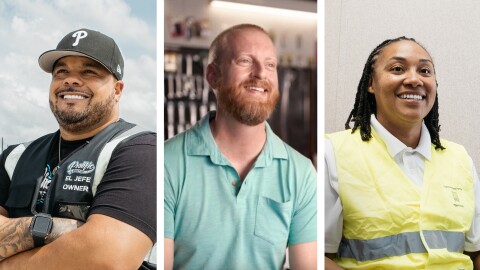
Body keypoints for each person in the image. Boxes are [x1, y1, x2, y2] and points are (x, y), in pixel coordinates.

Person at [0, 28, 156, 269]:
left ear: (117, 90)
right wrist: (54, 229)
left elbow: (108, 257)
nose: (70, 80)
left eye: (88, 72)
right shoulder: (15, 157)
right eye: (61, 71)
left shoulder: (140, 151)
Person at [164, 24, 317, 270]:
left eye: (270, 65)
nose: (260, 74)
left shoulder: (302, 173)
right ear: (213, 75)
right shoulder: (166, 163)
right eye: (245, 61)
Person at [324, 37, 480, 269]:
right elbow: (318, 255)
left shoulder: (459, 159)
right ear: (371, 83)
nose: (414, 79)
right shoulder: (334, 152)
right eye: (397, 69)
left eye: (425, 71)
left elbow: (475, 252)